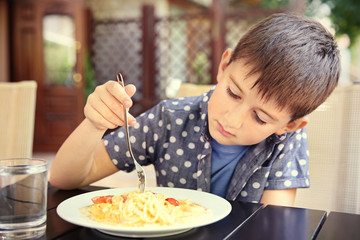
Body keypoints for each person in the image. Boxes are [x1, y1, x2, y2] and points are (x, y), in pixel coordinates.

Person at [49, 13, 340, 206]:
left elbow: (272, 226)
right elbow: (63, 178)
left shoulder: (285, 141)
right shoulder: (169, 120)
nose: (232, 120)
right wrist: (94, 124)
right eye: (233, 93)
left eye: (260, 117)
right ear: (224, 66)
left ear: (288, 125)